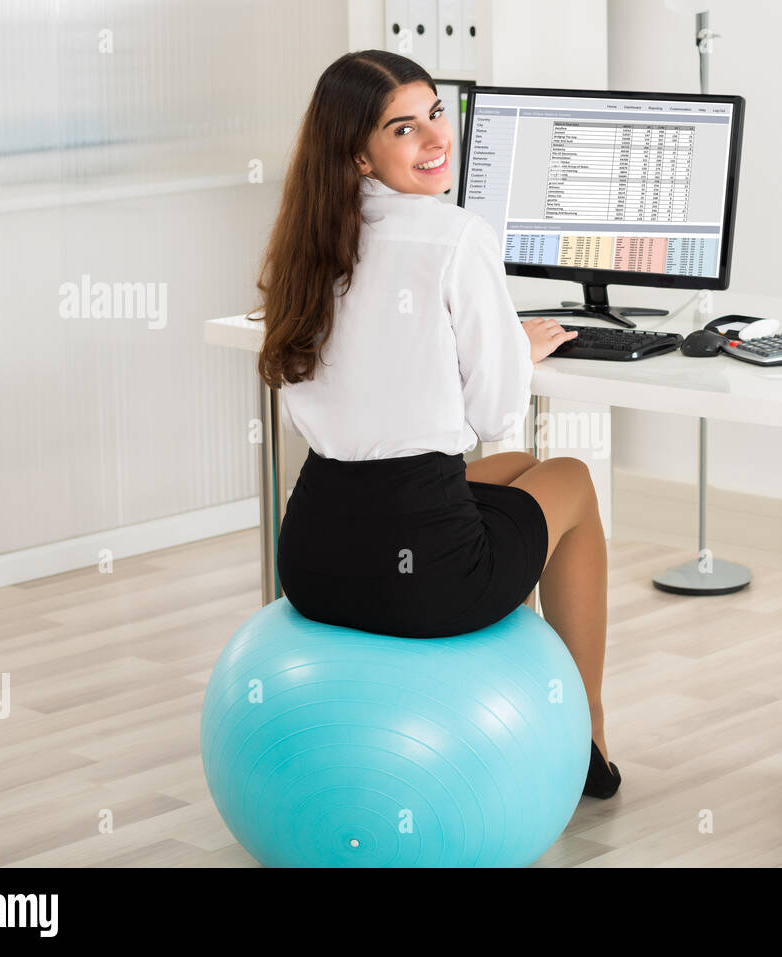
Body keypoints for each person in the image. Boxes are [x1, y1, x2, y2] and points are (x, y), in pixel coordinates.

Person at [250, 50, 619, 798]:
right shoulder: (455, 237)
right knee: (570, 480)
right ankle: (587, 730)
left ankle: (518, 712)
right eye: (403, 128)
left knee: (515, 483)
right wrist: (513, 346)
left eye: (436, 115)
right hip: (420, 579)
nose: (434, 139)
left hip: (315, 559)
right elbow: (495, 416)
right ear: (360, 150)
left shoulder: (309, 241)